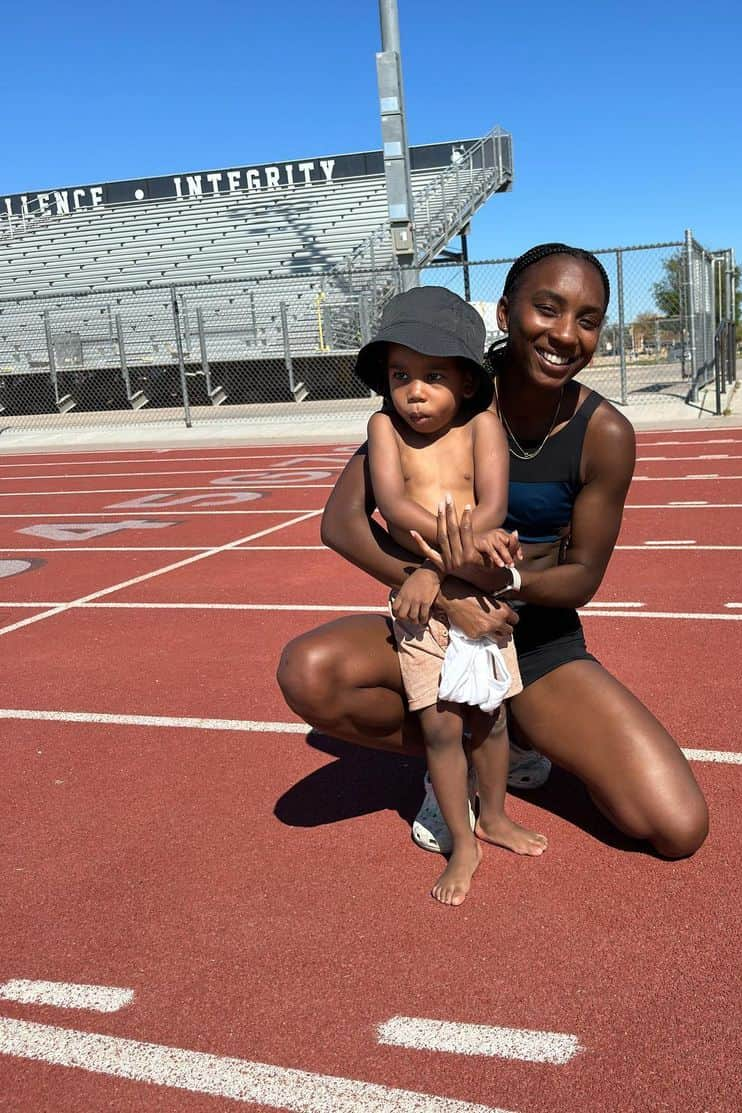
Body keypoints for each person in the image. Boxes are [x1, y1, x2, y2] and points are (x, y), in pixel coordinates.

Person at [277, 244, 709, 861]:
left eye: (587, 319)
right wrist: (448, 597)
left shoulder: (605, 434)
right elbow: (342, 523)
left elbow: (582, 576)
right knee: (309, 672)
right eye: (547, 309)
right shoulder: (441, 381)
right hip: (435, 625)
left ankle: (514, 738)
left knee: (675, 825)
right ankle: (452, 751)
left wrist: (497, 589)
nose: (565, 333)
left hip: (535, 643)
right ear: (506, 314)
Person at [357, 286, 547, 906]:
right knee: (440, 728)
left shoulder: (483, 427)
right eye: (401, 375)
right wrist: (438, 564)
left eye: (433, 376)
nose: (414, 392)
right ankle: (461, 839)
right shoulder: (382, 427)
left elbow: (492, 506)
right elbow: (391, 505)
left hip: (468, 591)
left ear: (466, 382)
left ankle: (493, 815)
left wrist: (432, 573)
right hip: (420, 609)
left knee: (490, 718)